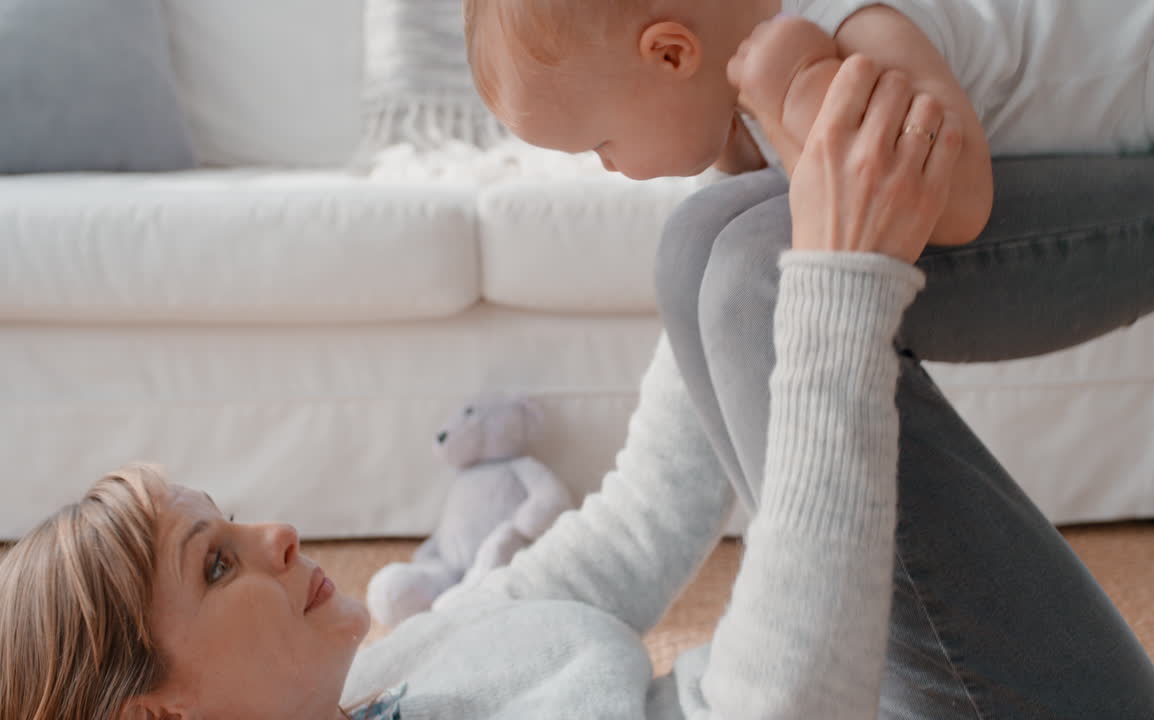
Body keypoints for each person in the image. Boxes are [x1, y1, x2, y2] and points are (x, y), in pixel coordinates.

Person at [0, 65, 967, 719]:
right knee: (781, 274)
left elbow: (621, 547)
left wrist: (741, 200)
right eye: (215, 564)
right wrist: (839, 285)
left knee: (723, 249)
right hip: (870, 687)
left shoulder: (385, 674)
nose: (277, 535)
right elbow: (781, 701)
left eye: (234, 523)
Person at [460, 0, 1154, 283]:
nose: (611, 168)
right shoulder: (741, 94)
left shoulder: (835, 31)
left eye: (600, 143)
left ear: (672, 54)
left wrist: (805, 87)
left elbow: (958, 205)